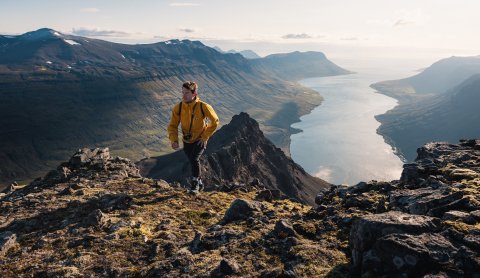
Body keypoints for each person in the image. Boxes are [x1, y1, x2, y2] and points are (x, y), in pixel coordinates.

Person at [167, 81, 219, 193]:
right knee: (192, 160)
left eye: (186, 93)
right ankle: (200, 183)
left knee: (194, 159)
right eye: (182, 92)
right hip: (187, 141)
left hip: (200, 140)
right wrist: (174, 140)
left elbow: (215, 121)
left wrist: (205, 137)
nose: (183, 95)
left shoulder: (203, 107)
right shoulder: (179, 108)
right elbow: (172, 126)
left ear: (194, 93)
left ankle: (195, 184)